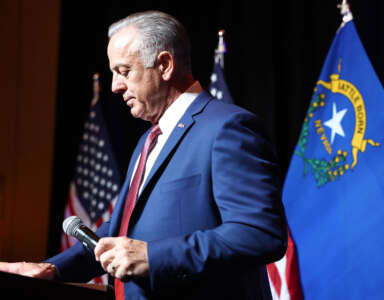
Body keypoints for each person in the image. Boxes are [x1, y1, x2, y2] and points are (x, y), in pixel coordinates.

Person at [0, 10, 287, 300]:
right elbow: (120, 230)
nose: (114, 86)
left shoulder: (227, 128)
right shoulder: (148, 140)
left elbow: (259, 233)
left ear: (164, 65)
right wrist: (51, 269)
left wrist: (153, 256)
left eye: (124, 71)